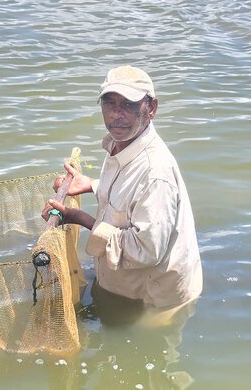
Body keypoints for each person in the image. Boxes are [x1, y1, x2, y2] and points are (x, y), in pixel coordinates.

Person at [42, 65, 202, 325]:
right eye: (109, 103)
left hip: (153, 302)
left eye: (128, 104)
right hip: (126, 286)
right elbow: (127, 196)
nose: (117, 114)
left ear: (151, 109)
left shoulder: (154, 173)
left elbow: (146, 251)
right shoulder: (122, 144)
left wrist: (79, 218)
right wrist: (91, 184)